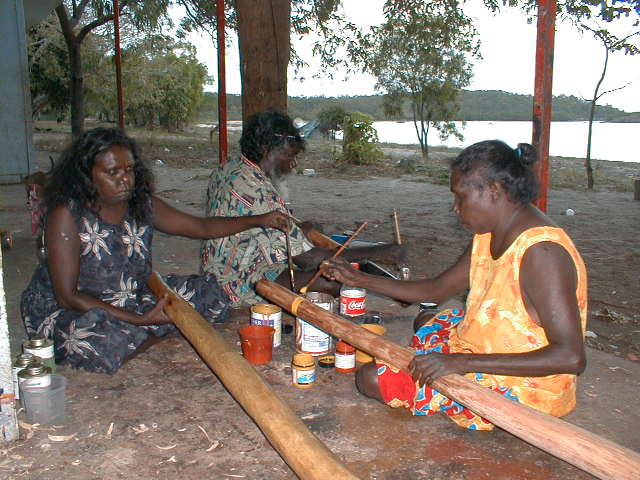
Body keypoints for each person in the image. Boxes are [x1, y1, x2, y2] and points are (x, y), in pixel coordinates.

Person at [321, 140, 588, 430]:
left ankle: (465, 380)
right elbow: (437, 290)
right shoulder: (490, 233)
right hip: (483, 349)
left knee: (371, 378)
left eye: (460, 197)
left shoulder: (543, 254)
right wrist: (356, 277)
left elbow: (571, 356)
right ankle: (454, 360)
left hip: (525, 388)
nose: (455, 208)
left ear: (494, 191)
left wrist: (461, 363)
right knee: (426, 318)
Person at [20, 127, 290, 374]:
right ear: (86, 174)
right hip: (75, 307)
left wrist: (259, 219)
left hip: (132, 294)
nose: (125, 180)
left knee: (211, 295)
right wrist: (138, 319)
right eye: (112, 173)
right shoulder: (67, 214)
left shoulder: (141, 205)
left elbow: (202, 227)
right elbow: (68, 296)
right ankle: (151, 327)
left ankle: (150, 327)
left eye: (129, 170)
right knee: (100, 341)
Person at [200, 111, 404, 306]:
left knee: (316, 246)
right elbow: (308, 260)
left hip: (218, 270)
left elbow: (251, 225)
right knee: (335, 283)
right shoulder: (259, 191)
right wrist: (378, 252)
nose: (292, 164)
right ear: (265, 149)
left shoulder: (230, 167)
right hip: (239, 284)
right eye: (288, 155)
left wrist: (299, 230)